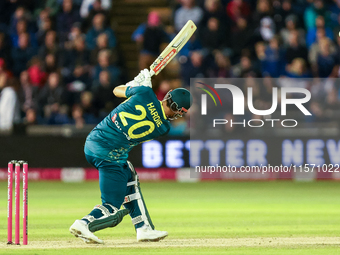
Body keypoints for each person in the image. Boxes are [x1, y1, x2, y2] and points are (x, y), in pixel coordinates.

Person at [69, 69, 192, 243]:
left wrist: (134, 85)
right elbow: (152, 110)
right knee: (111, 206)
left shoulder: (144, 93)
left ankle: (143, 228)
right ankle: (84, 223)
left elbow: (117, 91)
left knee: (130, 174)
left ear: (168, 96)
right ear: (179, 111)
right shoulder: (164, 128)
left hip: (93, 143)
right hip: (109, 155)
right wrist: (140, 87)